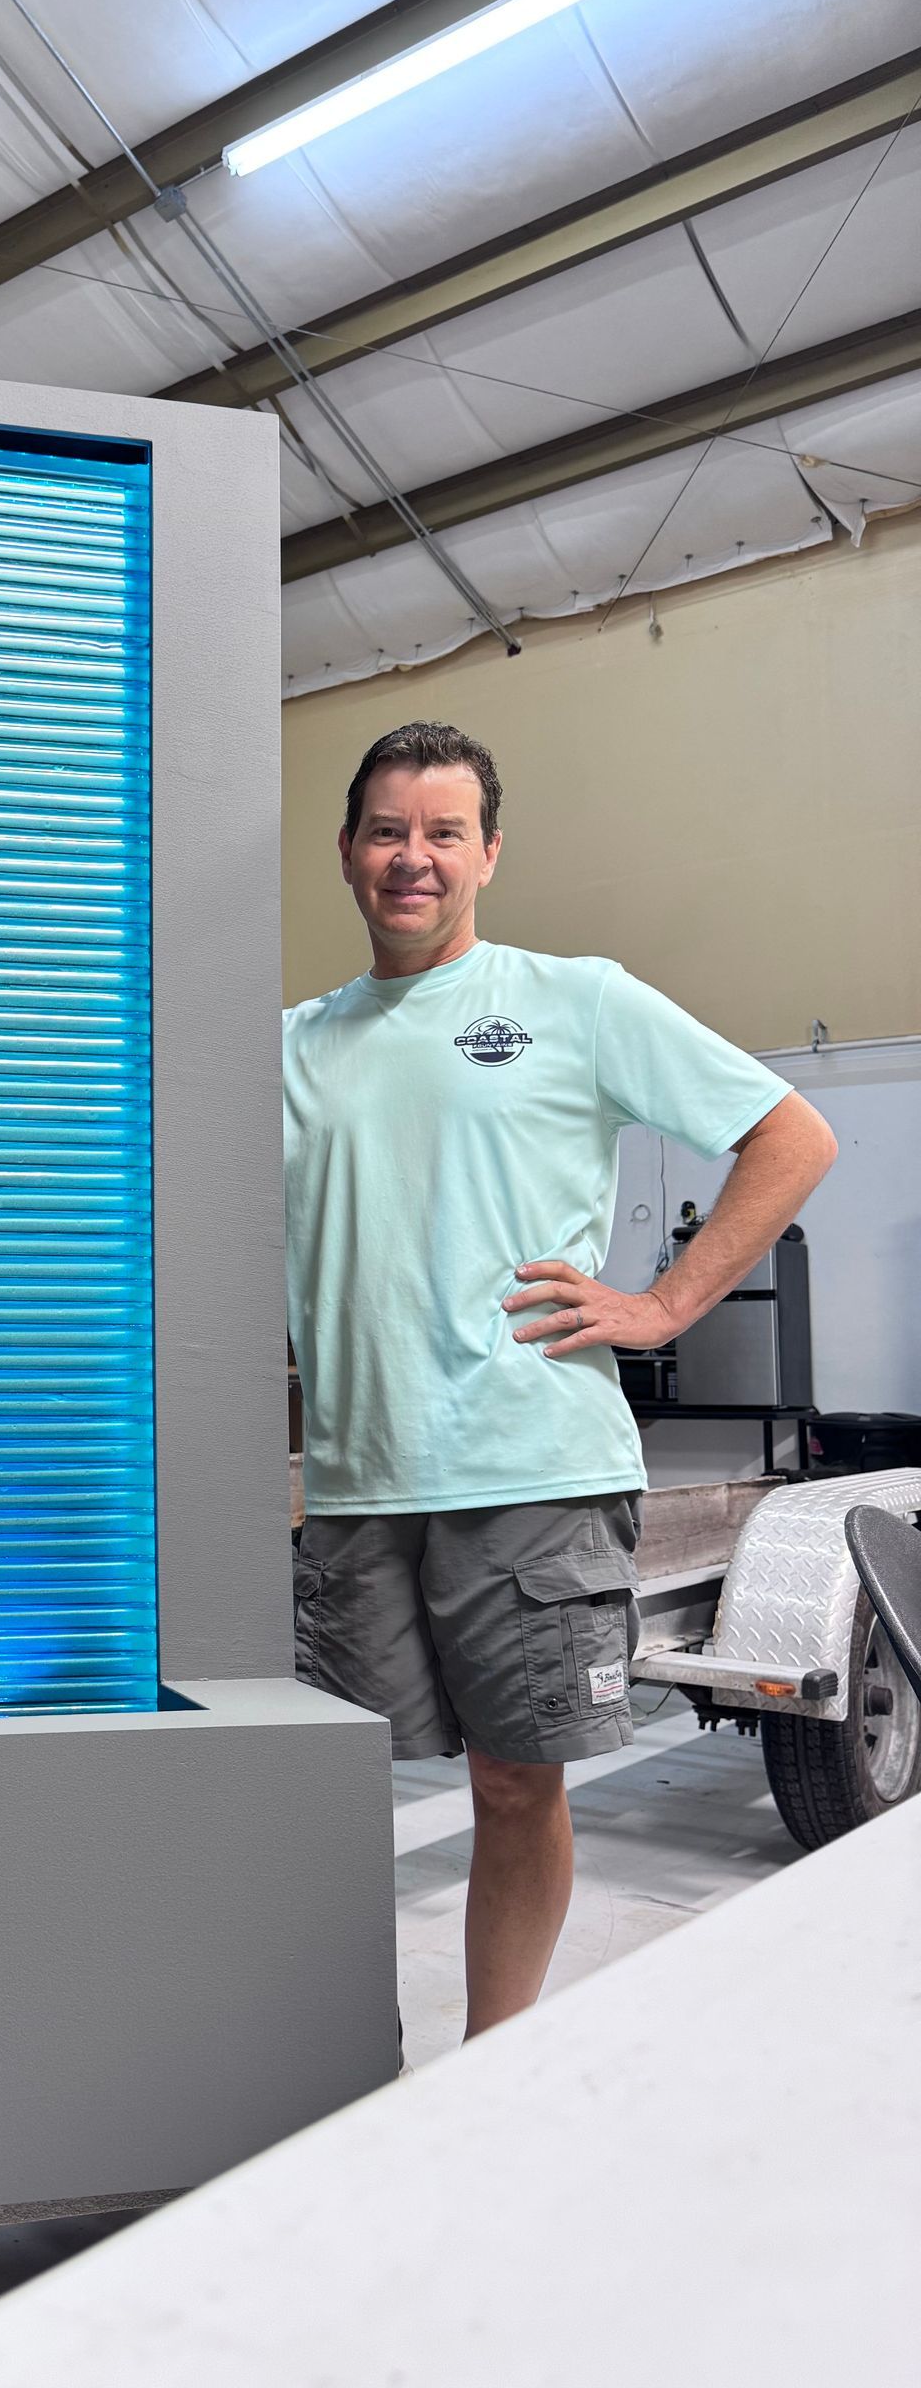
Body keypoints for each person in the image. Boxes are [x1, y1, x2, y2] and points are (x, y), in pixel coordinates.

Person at [283, 721, 836, 2041]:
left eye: (444, 832)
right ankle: (345, 2068)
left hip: (531, 1465)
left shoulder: (573, 1001)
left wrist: (665, 1303)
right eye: (386, 830)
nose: (412, 857)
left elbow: (792, 1134)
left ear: (488, 854)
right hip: (356, 1485)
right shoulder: (290, 1045)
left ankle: (493, 2063)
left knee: (514, 1787)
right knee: (326, 1801)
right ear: (347, 851)